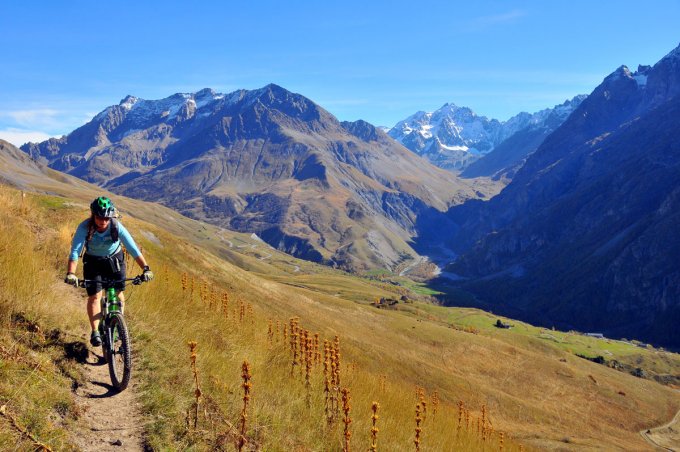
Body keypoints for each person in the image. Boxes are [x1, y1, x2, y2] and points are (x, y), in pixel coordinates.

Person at [64, 196, 153, 346]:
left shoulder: (116, 226)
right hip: (93, 262)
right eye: (100, 217)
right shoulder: (84, 227)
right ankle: (95, 332)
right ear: (93, 215)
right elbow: (75, 251)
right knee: (95, 297)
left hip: (114, 260)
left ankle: (119, 325)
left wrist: (145, 268)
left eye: (106, 218)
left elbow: (132, 248)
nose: (103, 221)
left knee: (118, 292)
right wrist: (71, 273)